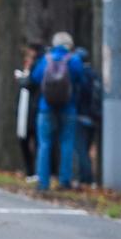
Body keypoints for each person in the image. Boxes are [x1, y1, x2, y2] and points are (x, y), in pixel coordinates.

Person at [28, 32, 87, 191]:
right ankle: (64, 181)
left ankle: (43, 182)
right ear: (70, 45)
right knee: (67, 144)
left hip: (45, 108)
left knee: (44, 144)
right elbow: (81, 80)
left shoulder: (45, 60)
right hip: (68, 108)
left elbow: (34, 78)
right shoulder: (74, 60)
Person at [14, 41, 44, 182]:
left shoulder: (38, 66)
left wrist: (22, 79)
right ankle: (31, 171)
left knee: (37, 142)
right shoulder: (32, 67)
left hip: (34, 111)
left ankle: (37, 172)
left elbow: (30, 84)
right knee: (25, 142)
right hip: (26, 112)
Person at [74, 47, 101, 187]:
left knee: (81, 150)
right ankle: (85, 178)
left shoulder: (81, 76)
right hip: (94, 118)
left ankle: (87, 179)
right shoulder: (94, 74)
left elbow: (79, 97)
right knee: (86, 148)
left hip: (81, 117)